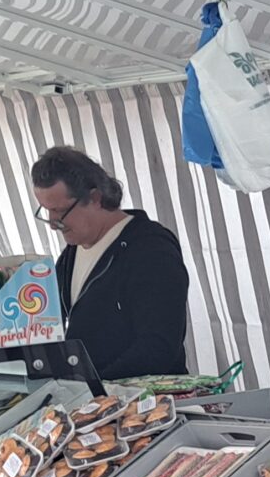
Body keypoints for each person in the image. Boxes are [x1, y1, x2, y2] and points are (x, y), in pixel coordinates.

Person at [29, 146, 189, 378]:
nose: (53, 223)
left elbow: (159, 346)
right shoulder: (71, 254)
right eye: (46, 211)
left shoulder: (151, 249)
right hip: (92, 393)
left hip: (144, 396)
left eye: (60, 211)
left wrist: (96, 385)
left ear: (95, 198)